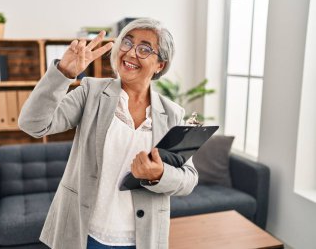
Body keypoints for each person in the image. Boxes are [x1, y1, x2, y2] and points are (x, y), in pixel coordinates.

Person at [18, 18, 198, 249]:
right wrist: (62, 73)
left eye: (144, 49)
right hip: (84, 233)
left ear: (159, 65)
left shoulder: (172, 114)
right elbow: (33, 124)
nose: (131, 53)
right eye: (127, 43)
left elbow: (189, 179)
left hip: (142, 238)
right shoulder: (90, 92)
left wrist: (159, 173)